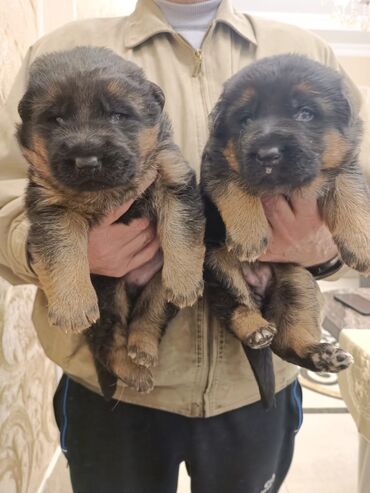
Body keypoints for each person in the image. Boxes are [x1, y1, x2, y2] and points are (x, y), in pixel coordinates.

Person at [0, 1, 367, 492]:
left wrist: (322, 249)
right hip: (107, 387)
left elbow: (353, 181)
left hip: (256, 385)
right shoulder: (59, 49)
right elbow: (6, 203)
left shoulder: (306, 49)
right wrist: (57, 255)